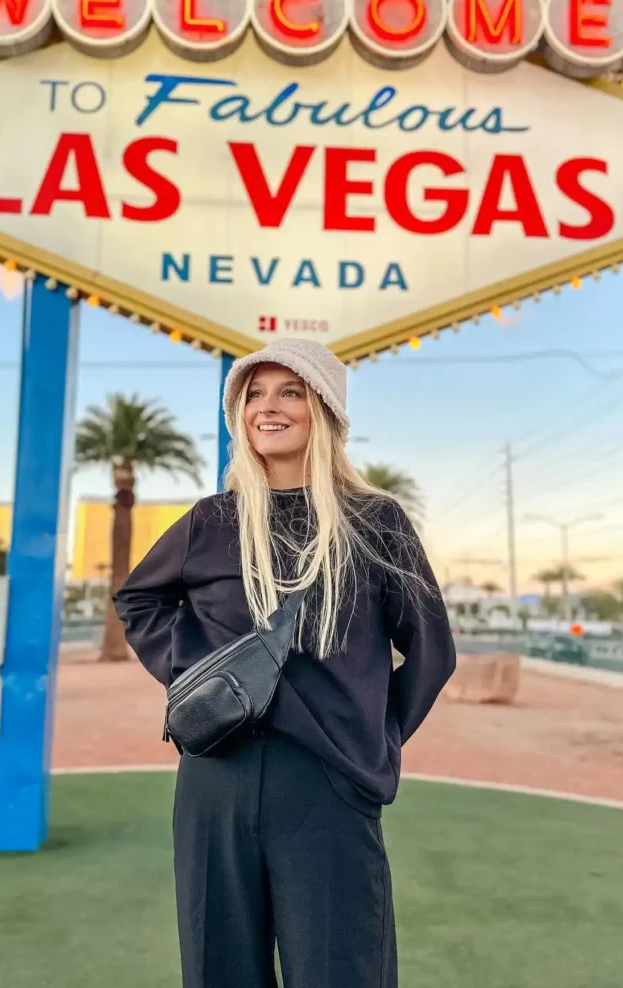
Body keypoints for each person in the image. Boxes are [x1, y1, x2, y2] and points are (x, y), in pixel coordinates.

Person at [114, 337, 456, 988]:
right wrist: (202, 675)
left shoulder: (374, 521)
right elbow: (139, 600)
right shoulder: (211, 520)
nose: (267, 407)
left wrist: (372, 737)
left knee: (338, 971)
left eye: (290, 392)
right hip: (217, 775)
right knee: (220, 969)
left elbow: (431, 651)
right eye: (253, 394)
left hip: (328, 784)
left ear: (322, 410)